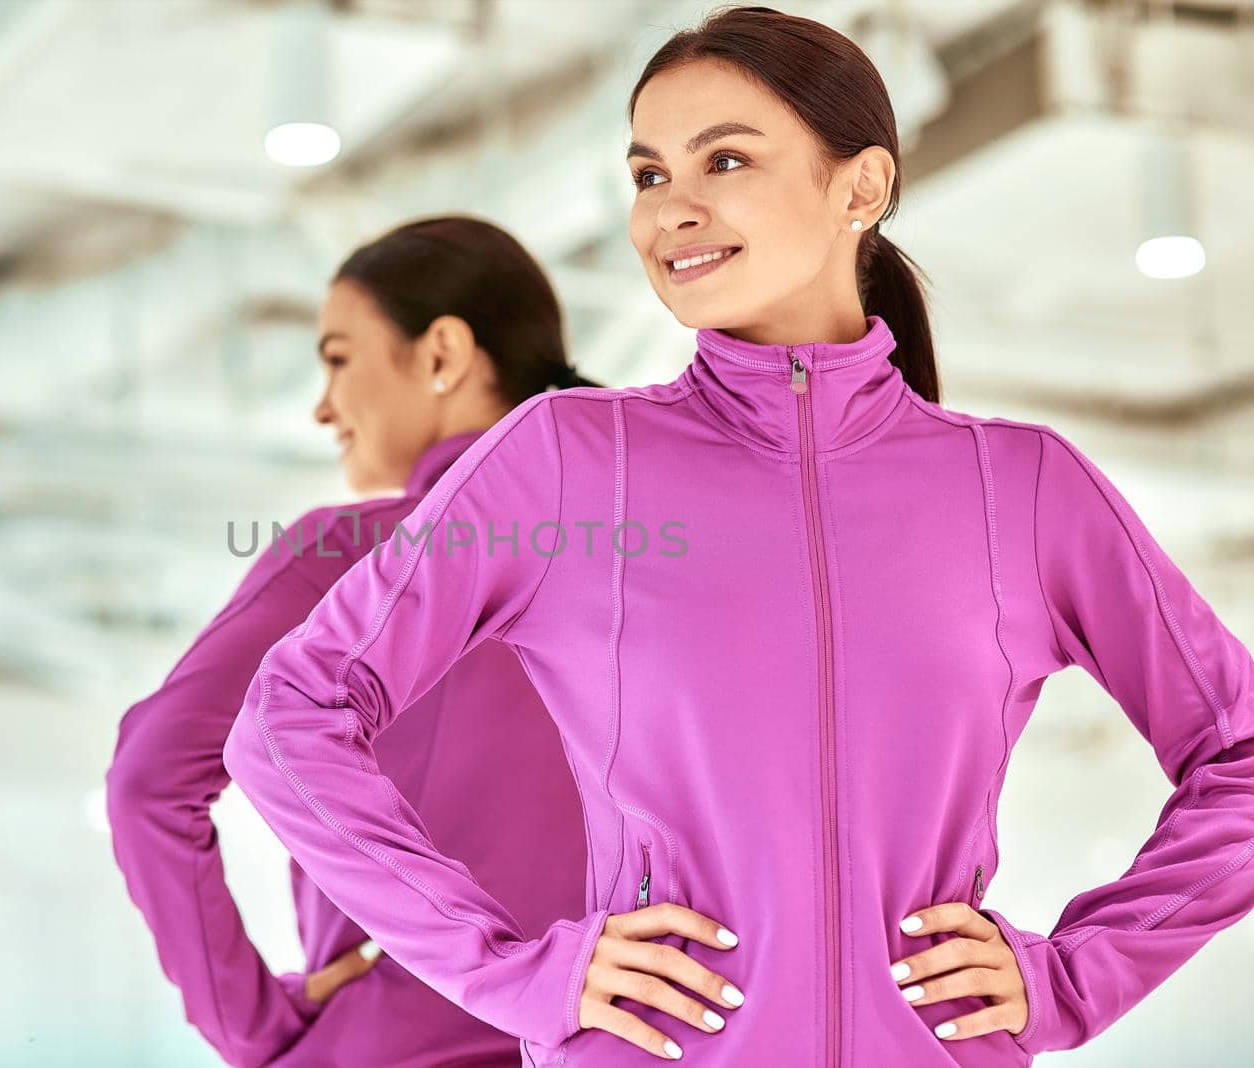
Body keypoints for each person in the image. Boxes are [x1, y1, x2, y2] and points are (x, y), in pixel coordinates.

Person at [222, 6, 1254, 1066]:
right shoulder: (569, 464)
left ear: (860, 187)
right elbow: (289, 720)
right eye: (647, 175)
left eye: (723, 160)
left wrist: (1073, 976)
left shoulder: (1019, 487)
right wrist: (514, 970)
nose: (673, 209)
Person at [106, 216, 595, 1066]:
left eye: (338, 358)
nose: (324, 405)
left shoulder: (349, 556)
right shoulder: (648, 555)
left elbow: (149, 782)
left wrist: (255, 1025)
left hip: (392, 1041)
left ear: (442, 355)